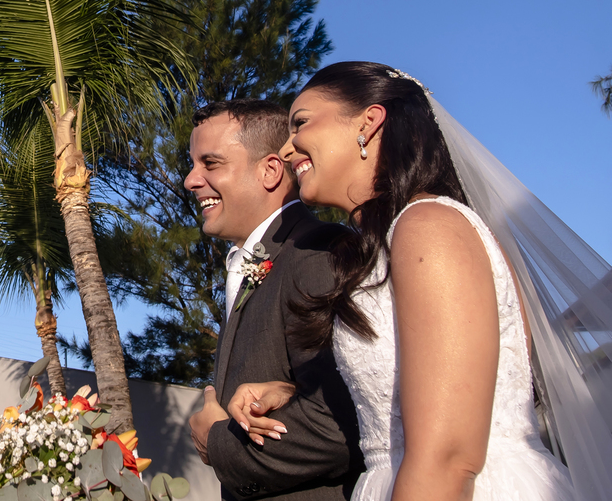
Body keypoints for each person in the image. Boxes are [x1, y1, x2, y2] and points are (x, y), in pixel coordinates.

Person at [237, 62, 592, 501]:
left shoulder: (428, 227)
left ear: (369, 122)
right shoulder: (389, 245)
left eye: (301, 124)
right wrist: (291, 389)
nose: (288, 150)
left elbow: (446, 460)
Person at [184, 100, 363, 500]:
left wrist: (218, 442)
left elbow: (336, 424)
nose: (190, 180)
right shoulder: (262, 257)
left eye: (210, 164)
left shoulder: (319, 253)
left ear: (269, 170)